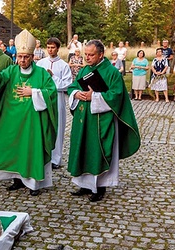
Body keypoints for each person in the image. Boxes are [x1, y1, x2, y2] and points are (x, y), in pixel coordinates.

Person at [0, 29, 58, 196]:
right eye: (20, 57)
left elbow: (51, 93)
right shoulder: (10, 72)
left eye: (26, 57)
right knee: (14, 149)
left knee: (32, 150)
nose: (22, 60)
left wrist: (34, 92)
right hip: (12, 120)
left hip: (33, 121)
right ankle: (17, 180)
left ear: (32, 57)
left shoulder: (42, 74)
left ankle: (34, 184)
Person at [67, 40, 140, 202]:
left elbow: (117, 95)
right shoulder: (84, 70)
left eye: (91, 55)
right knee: (84, 148)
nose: (87, 58)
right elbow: (72, 87)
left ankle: (99, 187)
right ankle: (84, 185)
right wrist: (76, 94)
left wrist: (94, 96)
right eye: (86, 54)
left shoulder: (112, 72)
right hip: (84, 118)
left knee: (97, 151)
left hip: (102, 120)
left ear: (101, 54)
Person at [37, 37, 72, 170]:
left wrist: (53, 77)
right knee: (43, 126)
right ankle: (43, 155)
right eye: (48, 47)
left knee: (58, 127)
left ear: (58, 48)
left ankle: (55, 158)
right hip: (42, 98)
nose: (50, 50)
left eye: (53, 47)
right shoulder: (40, 63)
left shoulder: (63, 65)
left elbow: (67, 85)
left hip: (57, 99)